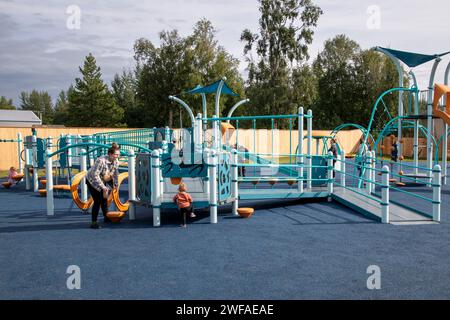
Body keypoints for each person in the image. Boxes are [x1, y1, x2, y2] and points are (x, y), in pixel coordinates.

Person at [86, 143, 120, 229]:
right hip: (92, 181)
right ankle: (94, 223)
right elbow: (94, 175)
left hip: (102, 178)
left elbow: (115, 173)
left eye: (118, 154)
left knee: (104, 199)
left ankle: (106, 217)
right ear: (110, 154)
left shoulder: (116, 162)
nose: (117, 156)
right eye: (116, 154)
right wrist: (103, 187)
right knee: (97, 200)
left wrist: (115, 184)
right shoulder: (101, 161)